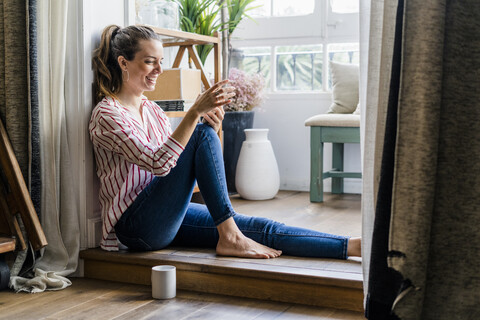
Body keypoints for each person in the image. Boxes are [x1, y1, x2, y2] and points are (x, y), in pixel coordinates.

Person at [89, 24, 361, 259]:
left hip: (166, 214)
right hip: (137, 227)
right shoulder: (107, 114)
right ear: (123, 62)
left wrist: (212, 125)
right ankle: (230, 236)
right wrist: (195, 114)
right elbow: (160, 164)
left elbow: (177, 166)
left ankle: (352, 246)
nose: (160, 69)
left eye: (161, 61)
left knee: (256, 226)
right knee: (198, 134)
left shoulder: (153, 110)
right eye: (150, 61)